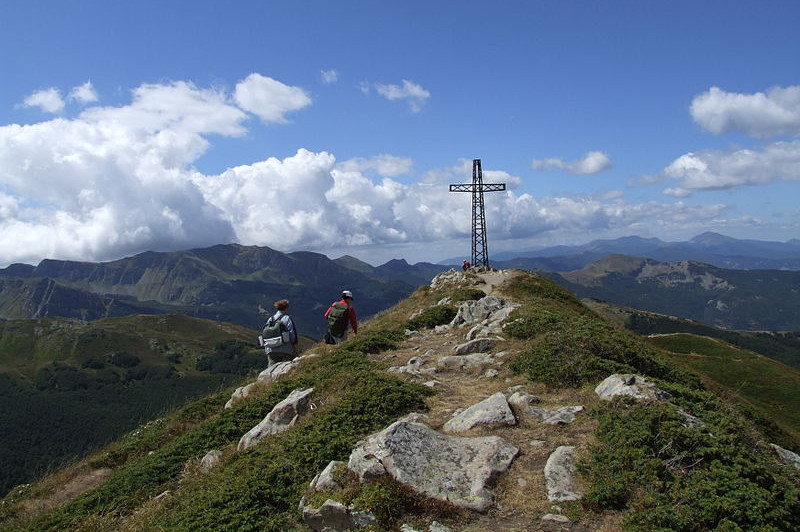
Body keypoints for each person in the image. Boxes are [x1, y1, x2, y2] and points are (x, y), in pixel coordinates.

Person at [264, 299, 299, 366]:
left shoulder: (270, 319)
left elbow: (265, 334)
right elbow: (292, 335)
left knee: (272, 371)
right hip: (286, 350)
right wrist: (295, 348)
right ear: (286, 308)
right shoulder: (287, 318)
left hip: (271, 350)